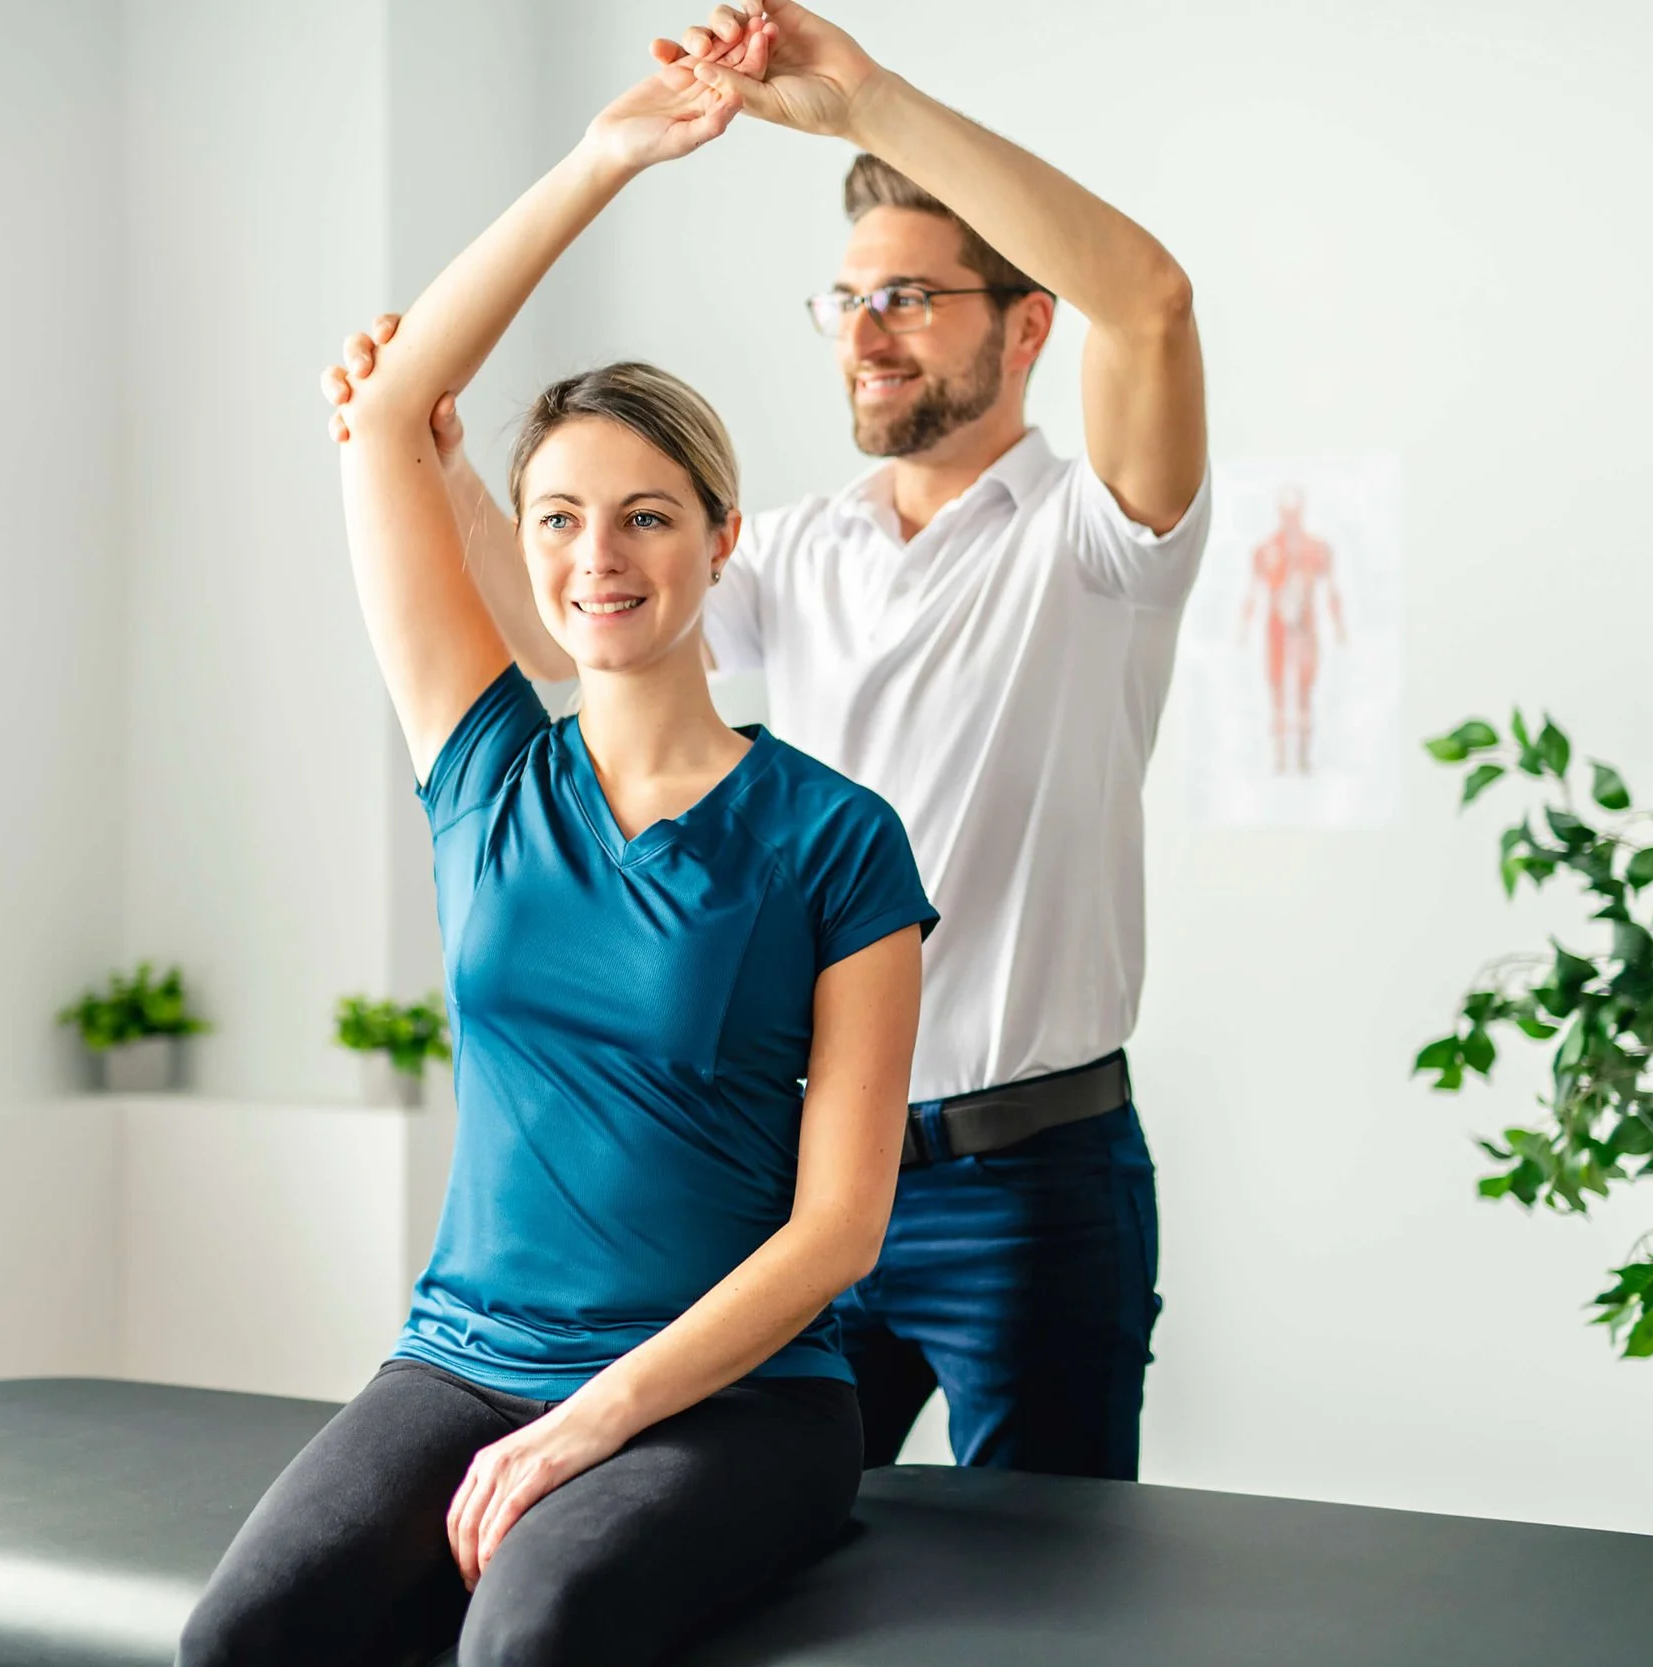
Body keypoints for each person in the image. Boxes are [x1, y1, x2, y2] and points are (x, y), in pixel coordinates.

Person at [333, 0, 1209, 1482]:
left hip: (1027, 1180)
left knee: (1044, 1611)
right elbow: (579, 632)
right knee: (741, 1584)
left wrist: (865, 99)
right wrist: (450, 477)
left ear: (1028, 320)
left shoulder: (1100, 538)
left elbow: (1153, 303)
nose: (865, 334)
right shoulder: (797, 553)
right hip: (792, 1183)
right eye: (848, 299)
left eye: (915, 298)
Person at [186, 37, 936, 1667]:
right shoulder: (484, 771)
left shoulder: (838, 840)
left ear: (720, 538)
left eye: (648, 514)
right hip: (461, 1352)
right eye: (559, 519)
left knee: (525, 1641)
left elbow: (840, 1233)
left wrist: (594, 1417)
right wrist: (602, 159)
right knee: (239, 1638)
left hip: (738, 1395)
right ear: (521, 549)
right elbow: (387, 419)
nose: (601, 556)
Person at [1241, 484, 1347, 775]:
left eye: (1294, 511)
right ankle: (1278, 756)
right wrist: (1243, 628)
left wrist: (1339, 627)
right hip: (1275, 628)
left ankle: (1302, 757)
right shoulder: (1264, 550)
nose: (1290, 517)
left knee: (1304, 691)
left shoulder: (1317, 549)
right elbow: (1252, 593)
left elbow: (1332, 591)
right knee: (1276, 689)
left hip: (1306, 628)